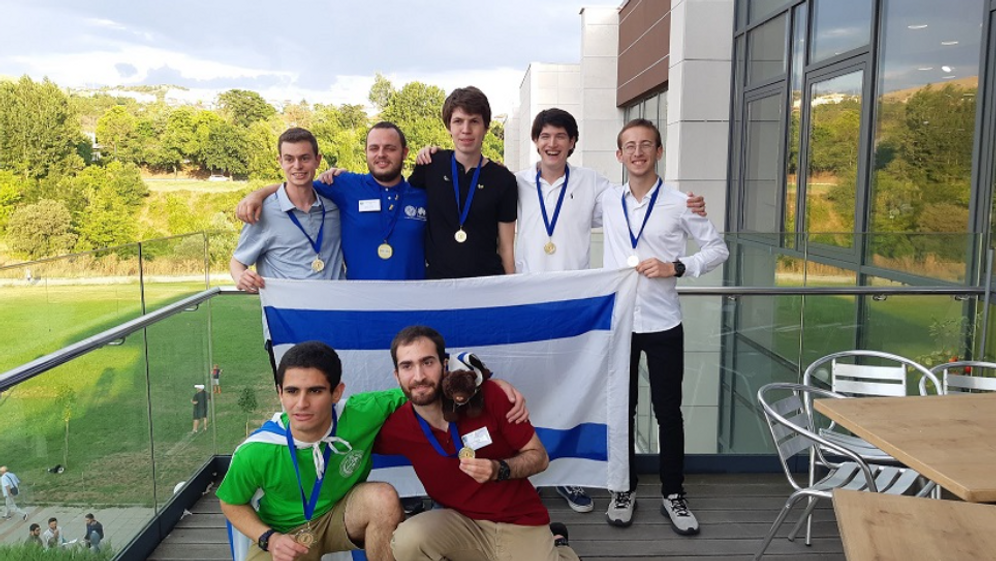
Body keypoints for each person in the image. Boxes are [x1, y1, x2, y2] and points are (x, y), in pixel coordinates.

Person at [416, 107, 707, 513]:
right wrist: (431, 153)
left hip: (576, 309)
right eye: (545, 136)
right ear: (535, 142)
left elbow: (640, 201)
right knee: (527, 391)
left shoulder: (596, 186)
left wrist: (685, 204)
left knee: (571, 392)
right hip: (528, 303)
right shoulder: (514, 182)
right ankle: (528, 472)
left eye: (560, 136)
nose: (552, 144)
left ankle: (568, 474)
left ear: (572, 143)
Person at [600, 119, 729, 534]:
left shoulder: (680, 203)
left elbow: (718, 249)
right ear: (619, 155)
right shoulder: (607, 200)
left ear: (658, 151)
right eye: (629, 146)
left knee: (668, 412)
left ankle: (674, 494)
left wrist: (677, 266)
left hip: (663, 322)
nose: (637, 152)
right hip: (619, 323)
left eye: (646, 145)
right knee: (622, 410)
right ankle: (624, 489)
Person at [377, 326, 580, 561]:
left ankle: (560, 545)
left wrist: (499, 469)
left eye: (428, 362)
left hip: (517, 521)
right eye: (407, 366)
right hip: (458, 523)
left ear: (444, 365)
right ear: (397, 375)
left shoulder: (488, 396)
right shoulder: (396, 425)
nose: (419, 376)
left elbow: (540, 457)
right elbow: (350, 434)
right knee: (407, 541)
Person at [236, 122, 428, 280]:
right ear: (366, 152)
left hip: (411, 302)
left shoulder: (423, 195)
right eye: (374, 148)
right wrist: (258, 195)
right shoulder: (345, 185)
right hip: (360, 304)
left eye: (390, 148)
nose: (381, 154)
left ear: (404, 153)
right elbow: (299, 183)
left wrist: (434, 152)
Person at [230, 127, 345, 384]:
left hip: (334, 325)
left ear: (318, 160)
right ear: (280, 161)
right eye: (289, 159)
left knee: (339, 395)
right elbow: (238, 262)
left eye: (304, 158)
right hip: (286, 329)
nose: (297, 166)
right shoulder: (263, 212)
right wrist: (240, 277)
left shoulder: (334, 206)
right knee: (297, 401)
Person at [408, 87, 517, 279]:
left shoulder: (503, 179)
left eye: (474, 121)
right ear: (448, 127)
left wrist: (511, 289)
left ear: (486, 128)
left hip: (486, 285)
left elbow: (506, 247)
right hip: (437, 284)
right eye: (458, 121)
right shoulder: (430, 166)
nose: (466, 130)